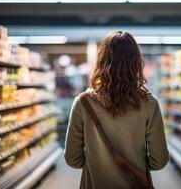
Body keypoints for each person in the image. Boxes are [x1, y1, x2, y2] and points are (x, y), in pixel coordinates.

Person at [64, 31, 169, 189]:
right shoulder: (149, 104)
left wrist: (97, 163)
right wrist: (135, 164)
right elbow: (159, 160)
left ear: (101, 61)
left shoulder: (83, 103)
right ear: (136, 63)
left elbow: (72, 158)